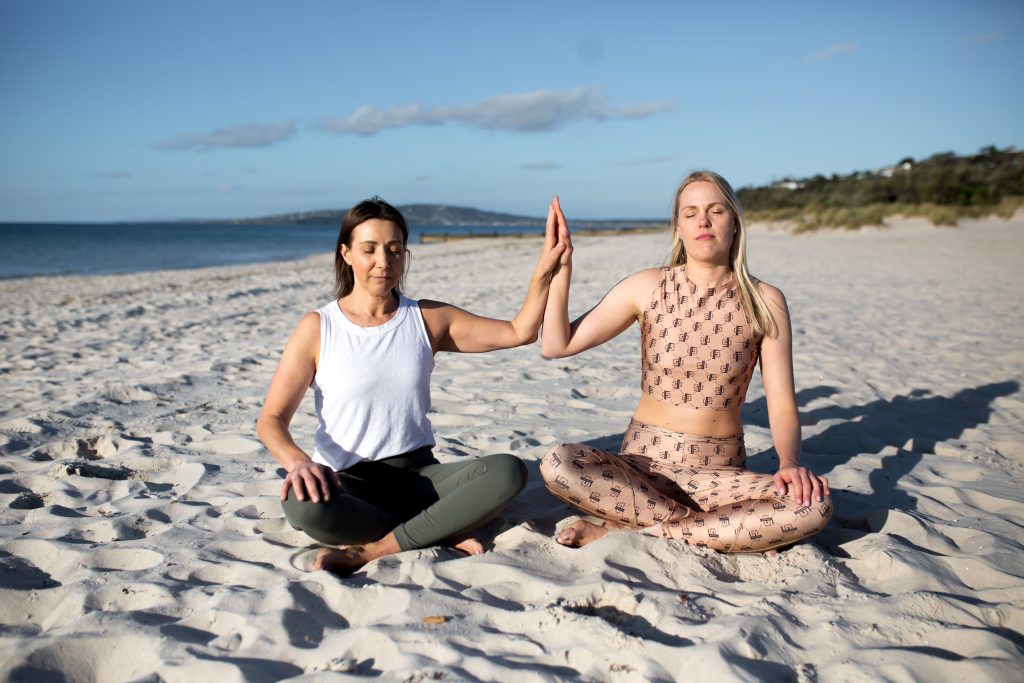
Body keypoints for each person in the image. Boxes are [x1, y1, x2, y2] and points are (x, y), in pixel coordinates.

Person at [257, 196, 567, 574]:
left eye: (394, 250)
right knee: (301, 506)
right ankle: (439, 527)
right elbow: (272, 418)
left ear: (405, 253)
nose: (383, 262)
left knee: (508, 472)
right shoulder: (318, 328)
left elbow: (519, 332)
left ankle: (373, 549)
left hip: (419, 479)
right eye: (369, 249)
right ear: (346, 253)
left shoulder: (426, 319)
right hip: (349, 483)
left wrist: (544, 271)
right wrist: (299, 463)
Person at [539, 172, 832, 553]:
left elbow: (780, 403)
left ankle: (622, 531)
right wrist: (561, 270)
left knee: (814, 504)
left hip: (720, 476)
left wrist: (790, 462)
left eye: (715, 210)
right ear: (678, 227)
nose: (703, 222)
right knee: (558, 463)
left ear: (735, 222)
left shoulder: (766, 300)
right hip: (641, 469)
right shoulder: (646, 286)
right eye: (690, 213)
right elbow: (556, 344)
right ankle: (715, 532)